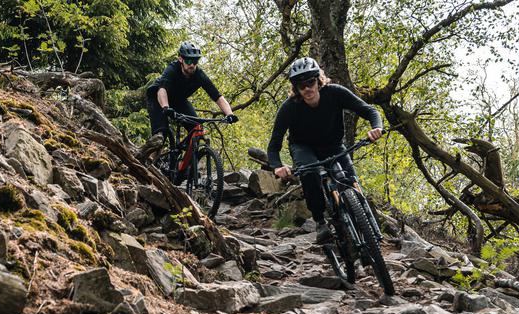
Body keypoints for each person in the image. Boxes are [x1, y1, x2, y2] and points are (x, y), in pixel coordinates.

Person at [265, 57, 383, 243]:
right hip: (303, 148)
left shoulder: (335, 93)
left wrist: (376, 127)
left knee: (351, 182)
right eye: (301, 85)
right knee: (309, 172)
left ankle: (367, 227)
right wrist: (277, 166)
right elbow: (273, 146)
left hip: (334, 145)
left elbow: (369, 111)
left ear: (318, 80)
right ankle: (320, 221)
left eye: (310, 82)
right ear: (296, 88)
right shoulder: (289, 108)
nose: (307, 89)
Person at [137, 41, 238, 161]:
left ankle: (187, 167)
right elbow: (162, 90)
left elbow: (217, 97)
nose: (192, 65)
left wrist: (229, 114)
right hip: (158, 99)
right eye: (189, 61)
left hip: (179, 100)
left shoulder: (199, 75)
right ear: (181, 59)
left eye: (195, 61)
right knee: (161, 134)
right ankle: (149, 161)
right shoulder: (172, 69)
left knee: (197, 128)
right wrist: (165, 107)